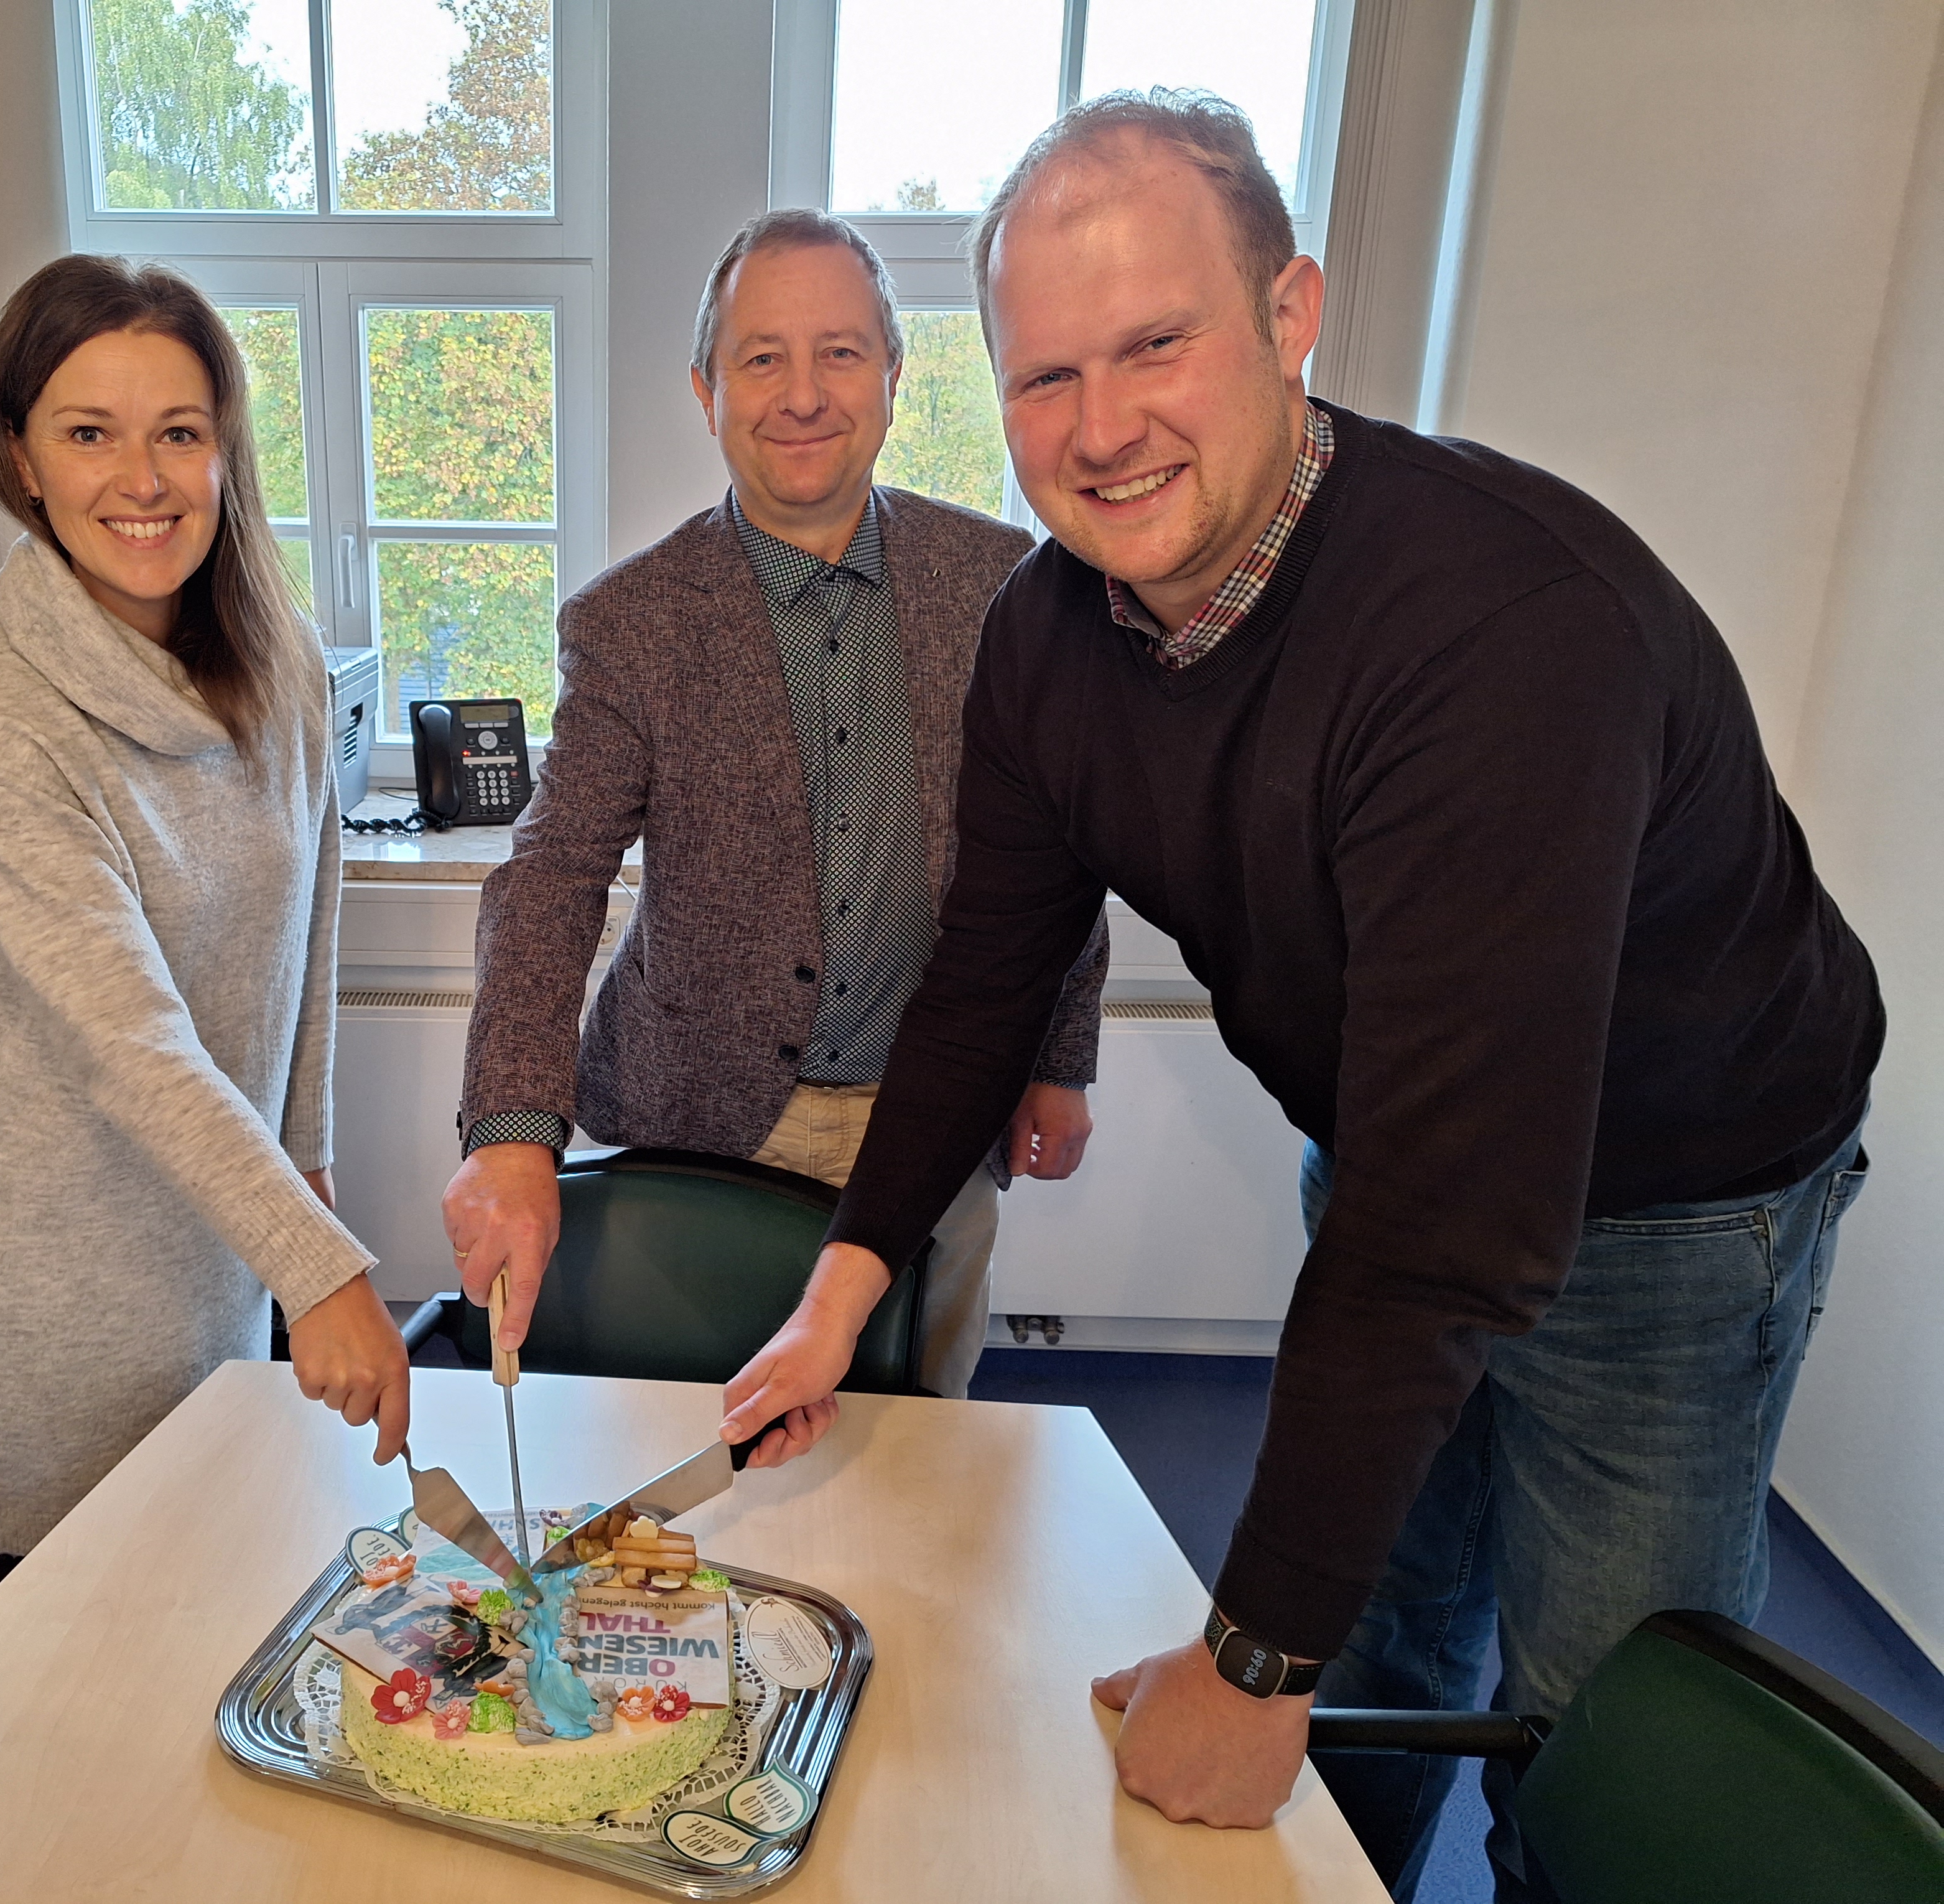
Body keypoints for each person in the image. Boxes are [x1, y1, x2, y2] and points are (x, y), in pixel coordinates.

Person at [718, 92, 1882, 1900]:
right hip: (1407, 1149)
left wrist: (1250, 1658)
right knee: (1392, 1610)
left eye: (1155, 344)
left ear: (1290, 316)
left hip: (1678, 1193)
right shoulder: (1047, 638)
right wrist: (844, 1282)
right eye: (1044, 378)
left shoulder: (1500, 631)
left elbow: (1451, 1222)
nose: (1101, 429)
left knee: (1594, 1719)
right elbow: (988, 982)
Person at [442, 210, 1108, 1416]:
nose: (803, 394)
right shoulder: (630, 623)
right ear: (708, 391)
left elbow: (1061, 843)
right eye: (762, 358)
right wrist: (512, 1128)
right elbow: (552, 875)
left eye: (840, 353)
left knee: (914, 1447)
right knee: (684, 1453)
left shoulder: (1005, 582)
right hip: (701, 1128)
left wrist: (1059, 1059)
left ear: (894, 375)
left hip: (937, 1116)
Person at [0, 256, 411, 1605]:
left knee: (218, 1594)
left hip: (215, 1252)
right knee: (69, 1642)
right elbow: (129, 1039)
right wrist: (321, 1275)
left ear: (224, 452)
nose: (143, 480)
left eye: (179, 434)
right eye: (91, 433)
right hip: (47, 1285)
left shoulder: (279, 659)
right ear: (21, 459)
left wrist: (306, 1175)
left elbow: (311, 932)